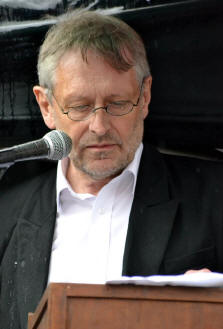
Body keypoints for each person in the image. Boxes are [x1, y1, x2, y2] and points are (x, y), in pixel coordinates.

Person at [1, 9, 223, 329]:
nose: (100, 126)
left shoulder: (213, 197)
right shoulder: (7, 211)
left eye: (117, 104)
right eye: (79, 106)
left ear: (144, 96)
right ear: (46, 106)